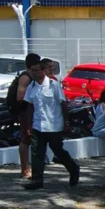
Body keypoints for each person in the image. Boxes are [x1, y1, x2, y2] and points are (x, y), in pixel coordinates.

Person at [22, 59, 79, 190]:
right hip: (38, 125)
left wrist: (66, 122)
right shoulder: (31, 87)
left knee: (58, 151)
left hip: (54, 125)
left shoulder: (53, 85)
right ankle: (37, 180)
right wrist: (29, 126)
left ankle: (73, 168)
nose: (34, 73)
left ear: (43, 71)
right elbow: (30, 107)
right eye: (32, 71)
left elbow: (63, 104)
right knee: (37, 153)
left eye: (37, 70)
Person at [8, 53, 40, 179]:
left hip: (33, 111)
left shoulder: (34, 76)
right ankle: (25, 169)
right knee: (25, 139)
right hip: (25, 111)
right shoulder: (25, 77)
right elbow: (20, 97)